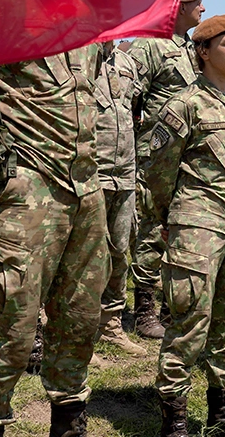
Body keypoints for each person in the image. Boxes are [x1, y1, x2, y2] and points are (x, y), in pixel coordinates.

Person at [0, 43, 108, 436]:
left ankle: (68, 424)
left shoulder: (82, 23)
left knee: (79, 319)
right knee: (9, 324)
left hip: (85, 189)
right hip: (25, 192)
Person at [145, 16, 225, 437]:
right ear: (203, 51)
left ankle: (222, 415)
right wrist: (170, 221)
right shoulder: (184, 104)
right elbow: (159, 173)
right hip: (197, 228)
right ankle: (175, 422)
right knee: (189, 324)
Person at [129, 0, 205, 340]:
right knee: (150, 232)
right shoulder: (150, 45)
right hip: (155, 156)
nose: (202, 10)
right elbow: (129, 97)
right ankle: (143, 311)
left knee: (176, 231)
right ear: (180, 7)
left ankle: (166, 306)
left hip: (187, 156)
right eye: (197, 4)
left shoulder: (191, 49)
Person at [93, 36, 148, 356]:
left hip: (124, 172)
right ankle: (78, 328)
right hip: (91, 172)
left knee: (119, 250)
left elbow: (136, 109)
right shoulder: (81, 60)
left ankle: (111, 324)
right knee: (86, 257)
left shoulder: (128, 65)